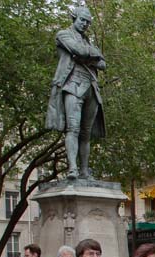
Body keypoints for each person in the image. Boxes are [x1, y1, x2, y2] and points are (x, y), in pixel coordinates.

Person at [46, 5, 106, 180]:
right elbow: (77, 51)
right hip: (72, 86)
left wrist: (86, 56)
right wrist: (92, 56)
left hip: (91, 88)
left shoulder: (88, 42)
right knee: (73, 129)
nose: (85, 24)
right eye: (82, 20)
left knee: (86, 133)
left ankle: (85, 170)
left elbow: (103, 64)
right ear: (74, 18)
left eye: (88, 22)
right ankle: (72, 168)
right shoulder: (63, 34)